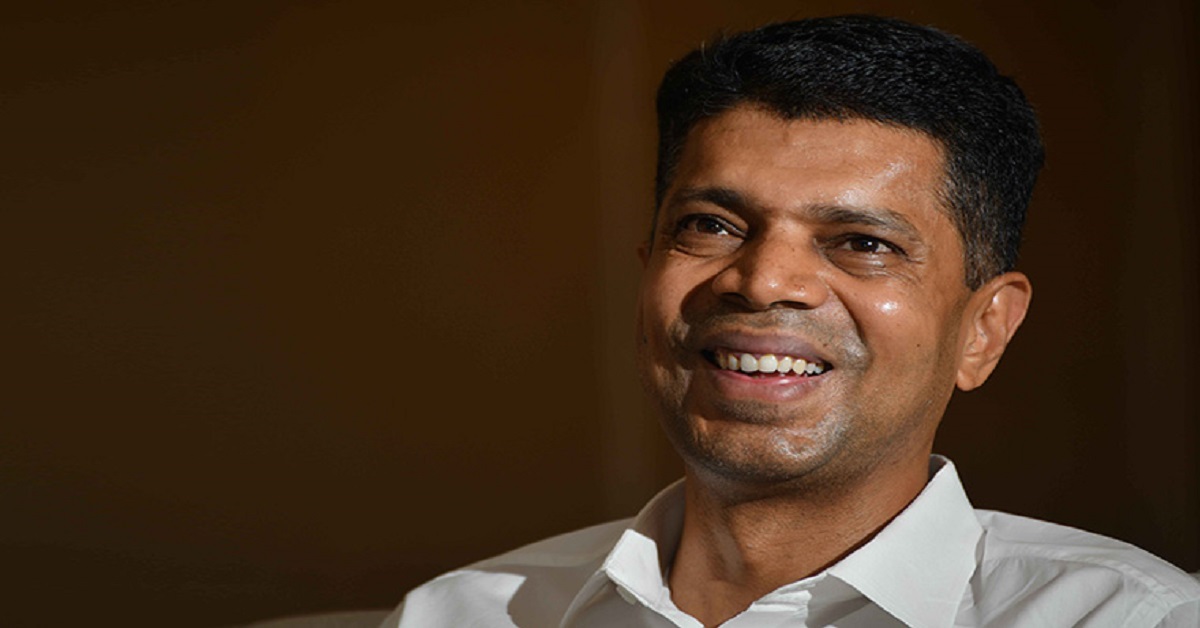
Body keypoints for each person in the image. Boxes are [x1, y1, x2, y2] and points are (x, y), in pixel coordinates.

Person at [383, 15, 1200, 627]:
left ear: (983, 330)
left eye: (863, 243)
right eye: (710, 225)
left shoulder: (1131, 619)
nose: (763, 280)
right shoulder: (458, 617)